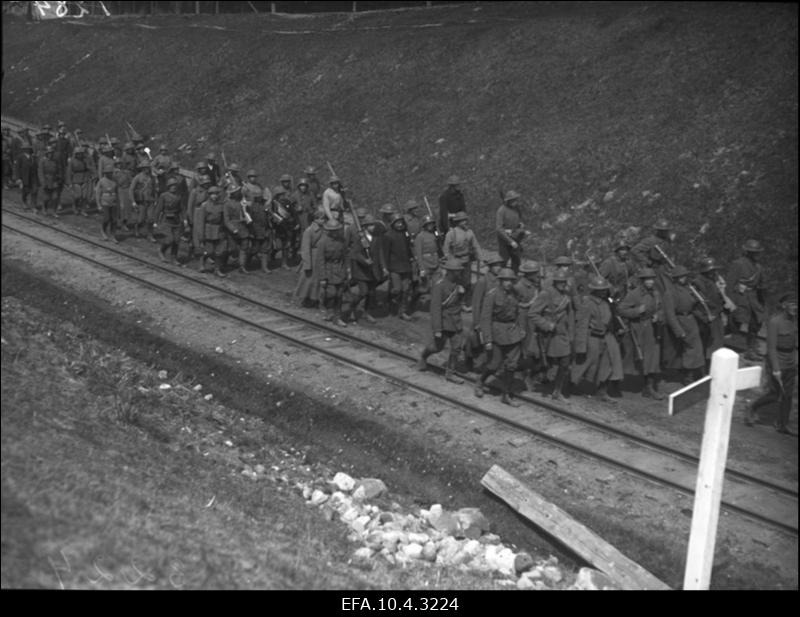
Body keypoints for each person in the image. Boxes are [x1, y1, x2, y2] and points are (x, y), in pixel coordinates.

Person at [745, 293, 797, 435]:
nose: (795, 307)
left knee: (787, 395)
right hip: (777, 361)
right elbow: (771, 348)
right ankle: (752, 406)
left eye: (797, 304)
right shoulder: (775, 322)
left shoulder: (794, 320)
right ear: (784, 306)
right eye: (792, 304)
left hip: (791, 361)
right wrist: (776, 368)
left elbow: (793, 344)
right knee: (775, 394)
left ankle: (782, 425)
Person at [474, 268, 525, 406]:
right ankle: (480, 381)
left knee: (512, 365)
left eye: (511, 280)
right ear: (500, 281)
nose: (509, 283)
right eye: (506, 280)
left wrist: (521, 328)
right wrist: (487, 339)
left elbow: (519, 311)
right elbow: (485, 318)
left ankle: (506, 394)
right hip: (497, 333)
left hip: (512, 333)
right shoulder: (492, 295)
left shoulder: (515, 294)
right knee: (494, 364)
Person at [571, 276, 624, 403]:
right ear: (594, 290)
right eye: (600, 290)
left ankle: (602, 391)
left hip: (607, 335)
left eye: (604, 289)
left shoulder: (608, 302)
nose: (603, 292)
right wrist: (581, 346)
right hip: (592, 337)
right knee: (585, 363)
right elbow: (582, 325)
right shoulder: (588, 303)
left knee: (610, 362)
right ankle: (572, 384)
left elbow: (614, 314)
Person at [417, 258, 468, 384]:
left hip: (455, 321)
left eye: (459, 271)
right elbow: (435, 309)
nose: (459, 273)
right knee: (437, 347)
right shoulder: (439, 286)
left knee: (457, 348)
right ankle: (424, 356)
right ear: (449, 272)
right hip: (444, 321)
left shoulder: (458, 284)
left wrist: (462, 294)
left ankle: (450, 373)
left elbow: (457, 304)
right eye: (456, 271)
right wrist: (437, 329)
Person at [618, 268, 666, 400]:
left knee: (653, 358)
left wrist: (659, 316)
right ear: (642, 280)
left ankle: (648, 388)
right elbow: (621, 309)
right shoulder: (634, 294)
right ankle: (614, 382)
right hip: (638, 328)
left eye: (652, 279)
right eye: (647, 279)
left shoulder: (656, 294)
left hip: (652, 328)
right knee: (635, 358)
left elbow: (661, 308)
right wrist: (637, 311)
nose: (650, 281)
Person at [530, 272, 575, 401]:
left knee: (565, 362)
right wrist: (547, 325)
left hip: (562, 334)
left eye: (564, 282)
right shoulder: (546, 294)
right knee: (546, 363)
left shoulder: (566, 296)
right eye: (560, 282)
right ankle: (531, 375)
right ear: (554, 282)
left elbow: (570, 315)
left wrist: (571, 334)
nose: (563, 285)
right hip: (548, 335)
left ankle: (557, 391)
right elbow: (532, 313)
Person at [663, 265, 705, 384]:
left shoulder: (687, 289)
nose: (684, 278)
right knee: (691, 349)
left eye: (684, 276)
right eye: (680, 277)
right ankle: (689, 376)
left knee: (696, 348)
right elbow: (670, 314)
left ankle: (695, 373)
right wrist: (678, 330)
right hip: (681, 321)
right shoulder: (670, 293)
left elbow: (692, 305)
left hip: (690, 320)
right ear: (675, 278)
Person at [727, 239, 767, 361]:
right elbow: (730, 284)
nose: (758, 254)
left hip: (754, 299)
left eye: (758, 252)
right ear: (749, 253)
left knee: (756, 324)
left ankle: (751, 350)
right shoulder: (738, 264)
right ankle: (722, 344)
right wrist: (730, 302)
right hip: (741, 298)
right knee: (734, 324)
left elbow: (761, 284)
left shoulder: (758, 267)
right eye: (755, 252)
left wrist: (762, 299)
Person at [465, 252, 505, 372]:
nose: (498, 267)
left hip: (494, 317)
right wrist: (477, 322)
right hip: (482, 317)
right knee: (475, 341)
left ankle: (489, 365)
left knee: (491, 343)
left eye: (500, 265)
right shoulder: (483, 281)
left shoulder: (500, 281)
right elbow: (476, 303)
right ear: (490, 267)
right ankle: (469, 358)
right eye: (495, 265)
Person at [345, 214, 384, 325]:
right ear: (365, 226)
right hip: (361, 271)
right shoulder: (360, 239)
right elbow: (355, 253)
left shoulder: (376, 238)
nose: (373, 227)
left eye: (373, 225)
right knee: (363, 292)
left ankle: (367, 313)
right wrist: (364, 260)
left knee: (371, 293)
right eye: (370, 225)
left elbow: (379, 253)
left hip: (373, 270)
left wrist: (383, 267)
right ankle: (351, 308)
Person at [692, 257, 732, 363]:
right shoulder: (698, 282)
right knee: (707, 343)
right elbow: (700, 301)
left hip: (716, 315)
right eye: (711, 270)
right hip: (706, 316)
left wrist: (724, 303)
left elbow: (718, 297)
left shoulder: (715, 281)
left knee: (717, 343)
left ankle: (713, 364)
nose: (714, 272)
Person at [442, 211, 482, 313]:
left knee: (467, 283)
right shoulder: (451, 233)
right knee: (454, 283)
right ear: (458, 222)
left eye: (466, 220)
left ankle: (463, 303)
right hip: (455, 262)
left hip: (466, 260)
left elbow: (476, 246)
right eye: (462, 221)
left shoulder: (470, 232)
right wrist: (450, 261)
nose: (465, 222)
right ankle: (451, 301)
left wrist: (480, 257)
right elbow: (446, 249)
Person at [514, 260, 544, 391]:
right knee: (525, 349)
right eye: (535, 273)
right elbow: (514, 305)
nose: (538, 275)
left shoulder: (536, 285)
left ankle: (535, 373)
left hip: (535, 319)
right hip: (524, 320)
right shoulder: (519, 286)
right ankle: (524, 375)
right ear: (529, 274)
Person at [316, 219, 351, 327]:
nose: (335, 232)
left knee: (339, 295)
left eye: (337, 230)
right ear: (328, 231)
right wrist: (322, 277)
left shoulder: (342, 241)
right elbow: (320, 261)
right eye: (333, 230)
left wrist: (348, 270)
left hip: (340, 270)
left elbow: (346, 256)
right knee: (331, 294)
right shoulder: (323, 242)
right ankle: (329, 309)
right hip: (328, 271)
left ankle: (337, 317)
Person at [381, 213, 416, 321]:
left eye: (401, 222)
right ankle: (390, 302)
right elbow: (384, 253)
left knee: (406, 290)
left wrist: (412, 257)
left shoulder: (405, 234)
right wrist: (385, 267)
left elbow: (408, 249)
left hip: (406, 266)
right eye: (397, 223)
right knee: (397, 289)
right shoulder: (388, 236)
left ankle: (402, 311)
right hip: (394, 266)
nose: (400, 225)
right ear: (393, 224)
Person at [294, 208, 327, 306]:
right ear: (315, 219)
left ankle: (315, 299)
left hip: (320, 257)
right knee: (307, 281)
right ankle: (303, 299)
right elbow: (305, 248)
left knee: (317, 280)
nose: (324, 220)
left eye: (324, 218)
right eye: (321, 219)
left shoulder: (324, 229)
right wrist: (307, 264)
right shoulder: (309, 231)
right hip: (312, 258)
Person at [193, 185, 227, 277]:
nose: (214, 196)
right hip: (208, 230)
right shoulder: (204, 206)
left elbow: (224, 219)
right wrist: (201, 235)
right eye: (212, 194)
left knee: (219, 252)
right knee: (209, 251)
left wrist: (223, 231)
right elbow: (201, 222)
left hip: (218, 230)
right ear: (209, 195)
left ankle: (217, 269)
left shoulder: (221, 206)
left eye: (216, 194)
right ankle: (201, 264)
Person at [154, 177, 184, 265]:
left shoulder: (179, 196)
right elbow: (158, 209)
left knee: (176, 240)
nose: (174, 187)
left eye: (175, 186)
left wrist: (185, 219)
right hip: (166, 220)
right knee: (169, 239)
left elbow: (182, 209)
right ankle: (161, 250)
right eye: (172, 186)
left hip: (176, 220)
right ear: (168, 186)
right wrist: (155, 221)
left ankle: (173, 258)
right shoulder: (164, 196)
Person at [496, 190, 528, 272]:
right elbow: (499, 229)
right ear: (509, 201)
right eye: (513, 200)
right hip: (504, 240)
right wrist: (510, 241)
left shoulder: (516, 209)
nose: (516, 202)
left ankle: (514, 280)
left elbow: (517, 223)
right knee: (503, 261)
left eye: (516, 199)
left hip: (515, 238)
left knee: (516, 261)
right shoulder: (501, 210)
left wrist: (521, 227)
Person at [222, 184, 251, 274]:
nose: (238, 193)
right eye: (235, 192)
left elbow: (246, 213)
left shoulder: (242, 202)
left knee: (244, 247)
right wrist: (232, 229)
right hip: (233, 228)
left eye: (238, 191)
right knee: (232, 249)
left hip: (243, 227)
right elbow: (226, 220)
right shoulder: (227, 204)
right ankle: (224, 263)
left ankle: (242, 266)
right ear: (232, 194)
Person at [414, 215, 442, 303]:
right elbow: (418, 254)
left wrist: (439, 238)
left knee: (437, 285)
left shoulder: (434, 235)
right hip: (426, 263)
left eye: (432, 224)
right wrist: (421, 268)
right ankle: (414, 299)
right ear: (424, 225)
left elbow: (438, 247)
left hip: (435, 262)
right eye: (428, 224)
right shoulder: (420, 237)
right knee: (425, 287)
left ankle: (436, 303)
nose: (430, 226)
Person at [185, 173, 212, 261]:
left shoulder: (209, 192)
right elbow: (190, 206)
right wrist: (190, 218)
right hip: (197, 213)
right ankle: (194, 252)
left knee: (204, 233)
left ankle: (205, 254)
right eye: (206, 183)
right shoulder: (195, 191)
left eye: (208, 183)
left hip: (206, 214)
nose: (207, 184)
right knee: (196, 235)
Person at [129, 160, 157, 241]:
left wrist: (156, 199)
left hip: (150, 201)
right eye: (145, 168)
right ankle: (136, 228)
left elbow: (154, 189)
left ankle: (150, 235)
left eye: (148, 168)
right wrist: (133, 201)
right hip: (141, 201)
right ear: (142, 168)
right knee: (141, 219)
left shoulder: (152, 178)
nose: (147, 170)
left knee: (151, 219)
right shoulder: (138, 177)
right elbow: (131, 189)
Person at [64, 146, 95, 217]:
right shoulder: (72, 161)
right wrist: (69, 182)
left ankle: (83, 210)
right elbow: (69, 172)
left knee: (84, 196)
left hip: (85, 178)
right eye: (78, 154)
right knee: (78, 196)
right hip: (76, 179)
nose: (80, 155)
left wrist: (89, 169)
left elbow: (91, 168)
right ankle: (75, 206)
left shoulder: (85, 160)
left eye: (81, 153)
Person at [94, 161, 119, 242]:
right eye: (108, 173)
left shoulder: (115, 181)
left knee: (114, 220)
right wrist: (98, 205)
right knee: (106, 218)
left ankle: (112, 234)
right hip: (105, 202)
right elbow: (98, 193)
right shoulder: (102, 181)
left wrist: (119, 203)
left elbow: (117, 192)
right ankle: (103, 231)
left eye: (111, 173)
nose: (110, 174)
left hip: (114, 202)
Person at [37, 145, 62, 217]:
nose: (50, 154)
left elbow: (59, 170)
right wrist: (43, 182)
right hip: (46, 181)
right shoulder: (43, 161)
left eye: (51, 153)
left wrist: (59, 178)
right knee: (46, 198)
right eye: (49, 153)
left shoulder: (55, 161)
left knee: (55, 197)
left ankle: (54, 211)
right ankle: (44, 208)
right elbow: (40, 172)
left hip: (54, 181)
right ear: (46, 154)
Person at [13, 143, 38, 211]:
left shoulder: (33, 157)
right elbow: (17, 168)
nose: (28, 150)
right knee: (25, 191)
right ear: (23, 149)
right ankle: (24, 202)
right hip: (24, 178)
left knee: (34, 191)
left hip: (33, 178)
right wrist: (18, 178)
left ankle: (33, 206)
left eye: (29, 149)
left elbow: (36, 168)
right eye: (26, 148)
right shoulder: (20, 157)